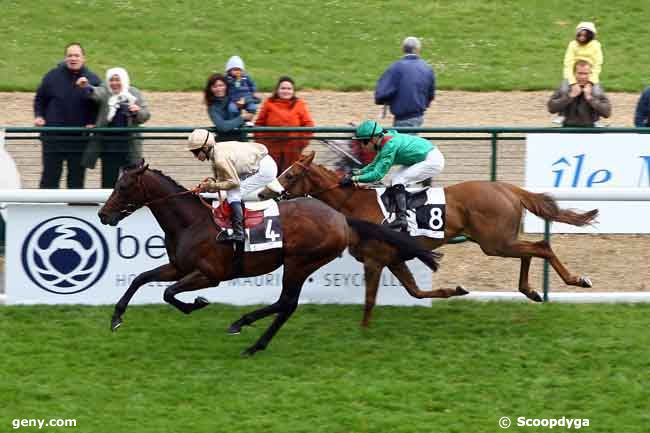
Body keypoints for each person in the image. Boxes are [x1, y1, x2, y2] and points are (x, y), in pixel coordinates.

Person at [340, 120, 445, 231]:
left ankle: (402, 218)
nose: (362, 146)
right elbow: (374, 165)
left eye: (363, 142)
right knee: (395, 180)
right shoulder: (384, 140)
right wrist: (357, 173)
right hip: (423, 157)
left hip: (432, 161)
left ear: (374, 139)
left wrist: (354, 179)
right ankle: (402, 214)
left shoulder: (389, 145)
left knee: (398, 180)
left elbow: (377, 175)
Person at [187, 129, 278, 243]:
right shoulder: (216, 151)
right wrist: (209, 185)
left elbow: (234, 183)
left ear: (205, 148)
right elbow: (221, 179)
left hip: (264, 170)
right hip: (259, 163)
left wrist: (213, 186)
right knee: (231, 191)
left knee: (233, 194)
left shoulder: (220, 159)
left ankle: (238, 233)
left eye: (195, 152)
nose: (195, 157)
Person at [33, 42, 101, 189]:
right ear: (65, 58)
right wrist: (39, 115)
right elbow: (40, 98)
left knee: (76, 177)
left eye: (76, 55)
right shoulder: (51, 76)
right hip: (53, 136)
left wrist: (92, 121)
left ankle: (75, 207)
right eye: (70, 55)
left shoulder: (93, 80)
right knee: (50, 176)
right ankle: (44, 207)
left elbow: (99, 105)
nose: (73, 58)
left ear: (84, 58)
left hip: (78, 138)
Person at [76, 67, 150, 188]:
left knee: (133, 181)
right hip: (109, 147)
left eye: (117, 80)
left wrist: (138, 111)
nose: (114, 83)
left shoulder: (134, 93)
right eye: (111, 80)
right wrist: (86, 86)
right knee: (108, 181)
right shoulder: (106, 92)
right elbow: (95, 93)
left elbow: (146, 115)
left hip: (130, 146)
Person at [254, 76, 315, 172]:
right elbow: (258, 125)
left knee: (291, 179)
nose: (286, 91)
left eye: (289, 89)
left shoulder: (299, 104)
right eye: (283, 88)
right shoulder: (269, 103)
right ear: (277, 90)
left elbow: (308, 124)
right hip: (272, 150)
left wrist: (301, 142)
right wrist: (264, 144)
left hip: (292, 151)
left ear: (293, 91)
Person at [374, 36, 435, 128]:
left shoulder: (396, 67)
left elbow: (382, 92)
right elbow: (430, 95)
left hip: (402, 117)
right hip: (419, 116)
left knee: (404, 141)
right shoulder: (427, 68)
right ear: (418, 49)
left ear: (402, 49)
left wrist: (383, 100)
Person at [547, 60, 611, 127]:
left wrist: (590, 98)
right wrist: (570, 96)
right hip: (567, 129)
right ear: (574, 73)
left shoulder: (596, 88)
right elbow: (551, 108)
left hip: (591, 129)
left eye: (585, 73)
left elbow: (607, 113)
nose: (582, 77)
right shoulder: (565, 86)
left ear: (590, 74)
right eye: (580, 73)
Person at [204, 73, 254, 142]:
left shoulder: (235, 97)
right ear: (210, 89)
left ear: (226, 86)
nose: (219, 89)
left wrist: (249, 110)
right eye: (215, 86)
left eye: (221, 85)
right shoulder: (212, 107)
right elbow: (223, 127)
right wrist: (242, 118)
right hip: (225, 144)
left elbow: (250, 100)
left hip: (241, 141)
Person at [224, 56, 258, 123]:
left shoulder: (246, 77)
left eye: (239, 70)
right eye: (235, 70)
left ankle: (248, 121)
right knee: (232, 109)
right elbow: (224, 87)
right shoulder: (227, 79)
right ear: (229, 70)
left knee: (253, 107)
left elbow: (252, 84)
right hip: (234, 100)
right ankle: (235, 121)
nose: (237, 72)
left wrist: (252, 92)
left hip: (246, 99)